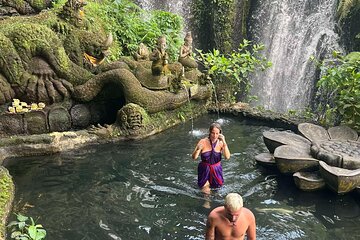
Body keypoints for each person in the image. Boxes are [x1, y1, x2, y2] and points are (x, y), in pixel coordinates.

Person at [192, 122, 230, 194]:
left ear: (220, 134)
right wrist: (197, 149)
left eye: (217, 133)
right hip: (204, 169)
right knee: (206, 190)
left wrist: (224, 142)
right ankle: (207, 203)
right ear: (209, 132)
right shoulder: (203, 141)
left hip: (216, 169)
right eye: (213, 133)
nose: (215, 136)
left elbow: (227, 157)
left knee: (218, 188)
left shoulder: (221, 143)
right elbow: (194, 157)